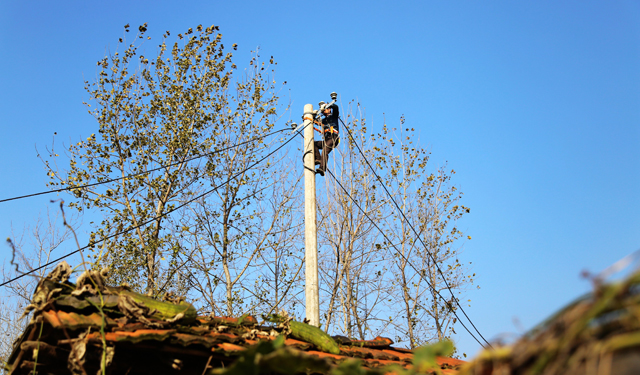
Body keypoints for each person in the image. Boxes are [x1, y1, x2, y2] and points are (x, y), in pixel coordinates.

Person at [314, 102, 340, 176]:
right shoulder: (324, 120)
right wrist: (311, 116)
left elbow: (335, 107)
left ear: (329, 110)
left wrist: (327, 105)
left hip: (333, 137)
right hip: (327, 139)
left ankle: (322, 168)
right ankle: (318, 159)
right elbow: (316, 122)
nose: (324, 111)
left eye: (325, 109)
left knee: (325, 150)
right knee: (314, 144)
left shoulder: (334, 116)